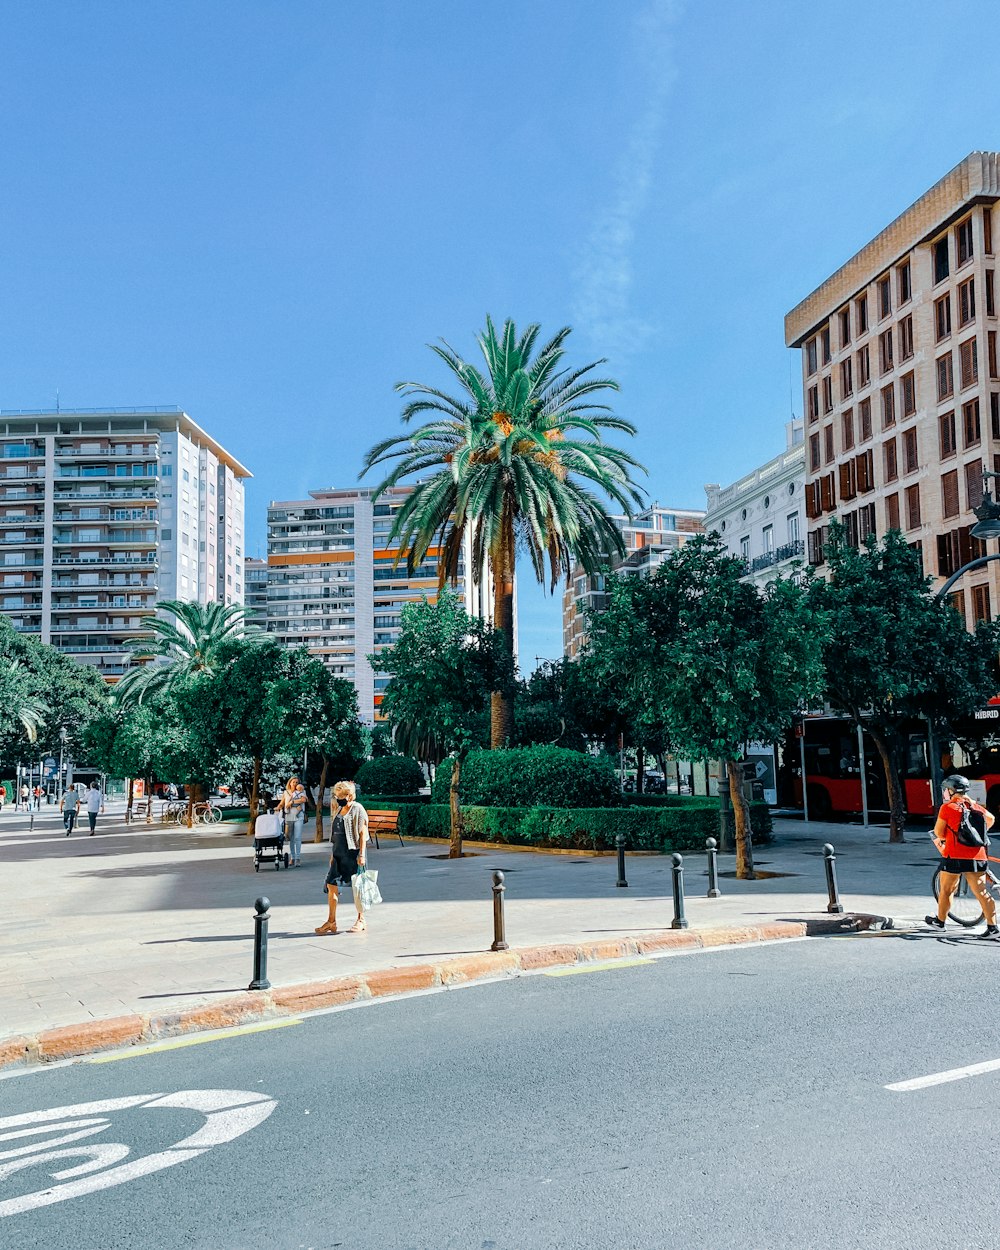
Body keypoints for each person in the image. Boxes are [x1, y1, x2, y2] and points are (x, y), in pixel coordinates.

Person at [927, 774, 999, 938]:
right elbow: (991, 819)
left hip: (955, 855)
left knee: (946, 890)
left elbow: (939, 832)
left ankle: (940, 922)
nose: (944, 792)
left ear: (951, 791)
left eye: (946, 790)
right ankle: (992, 927)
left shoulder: (947, 808)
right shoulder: (975, 807)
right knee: (981, 892)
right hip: (978, 855)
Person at [316, 780, 370, 935]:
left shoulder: (357, 808)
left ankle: (361, 919)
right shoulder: (339, 809)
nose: (337, 798)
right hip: (338, 854)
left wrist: (362, 855)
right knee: (331, 885)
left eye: (340, 795)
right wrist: (332, 854)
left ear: (349, 795)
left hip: (353, 854)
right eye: (336, 795)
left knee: (357, 888)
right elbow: (335, 835)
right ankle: (331, 922)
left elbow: (363, 833)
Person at [278, 776, 308, 867]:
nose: (295, 784)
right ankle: (293, 857)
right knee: (291, 838)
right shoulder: (286, 793)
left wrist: (291, 802)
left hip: (299, 816)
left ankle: (298, 858)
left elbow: (304, 800)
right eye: (293, 782)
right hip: (289, 816)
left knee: (297, 837)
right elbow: (282, 803)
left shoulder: (302, 792)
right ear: (290, 783)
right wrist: (277, 808)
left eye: (297, 782)